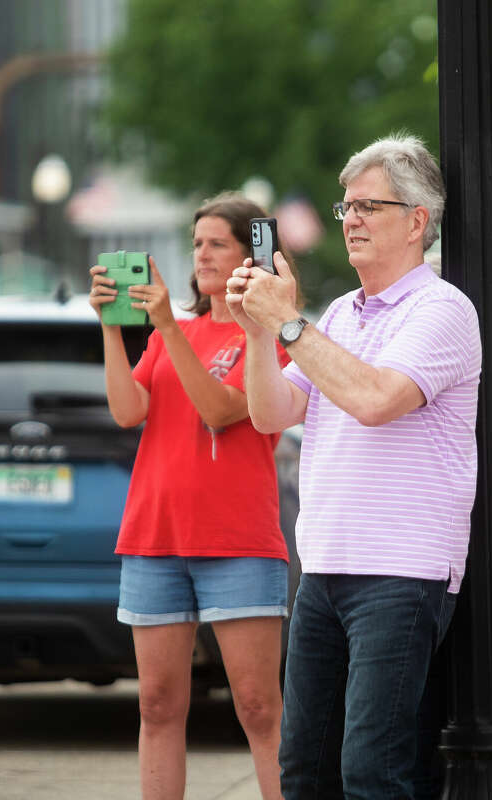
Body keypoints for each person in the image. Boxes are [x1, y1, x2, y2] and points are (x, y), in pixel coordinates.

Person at [224, 133, 482, 798]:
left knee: (372, 772)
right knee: (303, 770)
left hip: (401, 573)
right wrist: (259, 331)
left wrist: (287, 326)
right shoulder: (340, 314)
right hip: (326, 572)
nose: (353, 221)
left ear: (417, 220)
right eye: (346, 210)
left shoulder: (443, 309)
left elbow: (374, 400)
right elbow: (272, 413)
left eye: (369, 207)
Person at [88, 193, 291, 800]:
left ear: (251, 253)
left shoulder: (270, 336)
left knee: (257, 706)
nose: (201, 253)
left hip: (238, 542)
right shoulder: (177, 330)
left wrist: (168, 326)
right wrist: (111, 329)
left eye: (217, 243)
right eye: (197, 242)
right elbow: (129, 411)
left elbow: (220, 410)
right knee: (157, 704)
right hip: (155, 537)